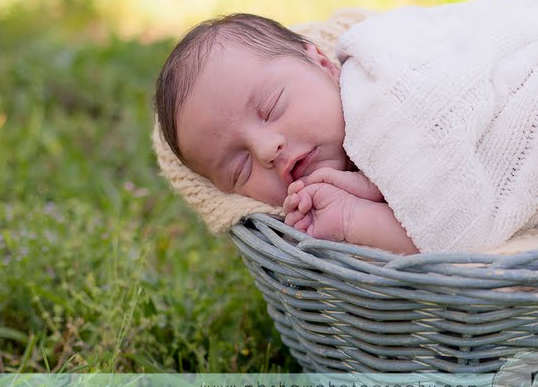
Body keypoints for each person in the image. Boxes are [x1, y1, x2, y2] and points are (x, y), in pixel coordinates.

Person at [154, 13, 419, 255]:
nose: (266, 150)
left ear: (322, 63)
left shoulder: (386, 87)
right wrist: (351, 218)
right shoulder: (324, 216)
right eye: (241, 168)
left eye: (272, 108)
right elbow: (436, 246)